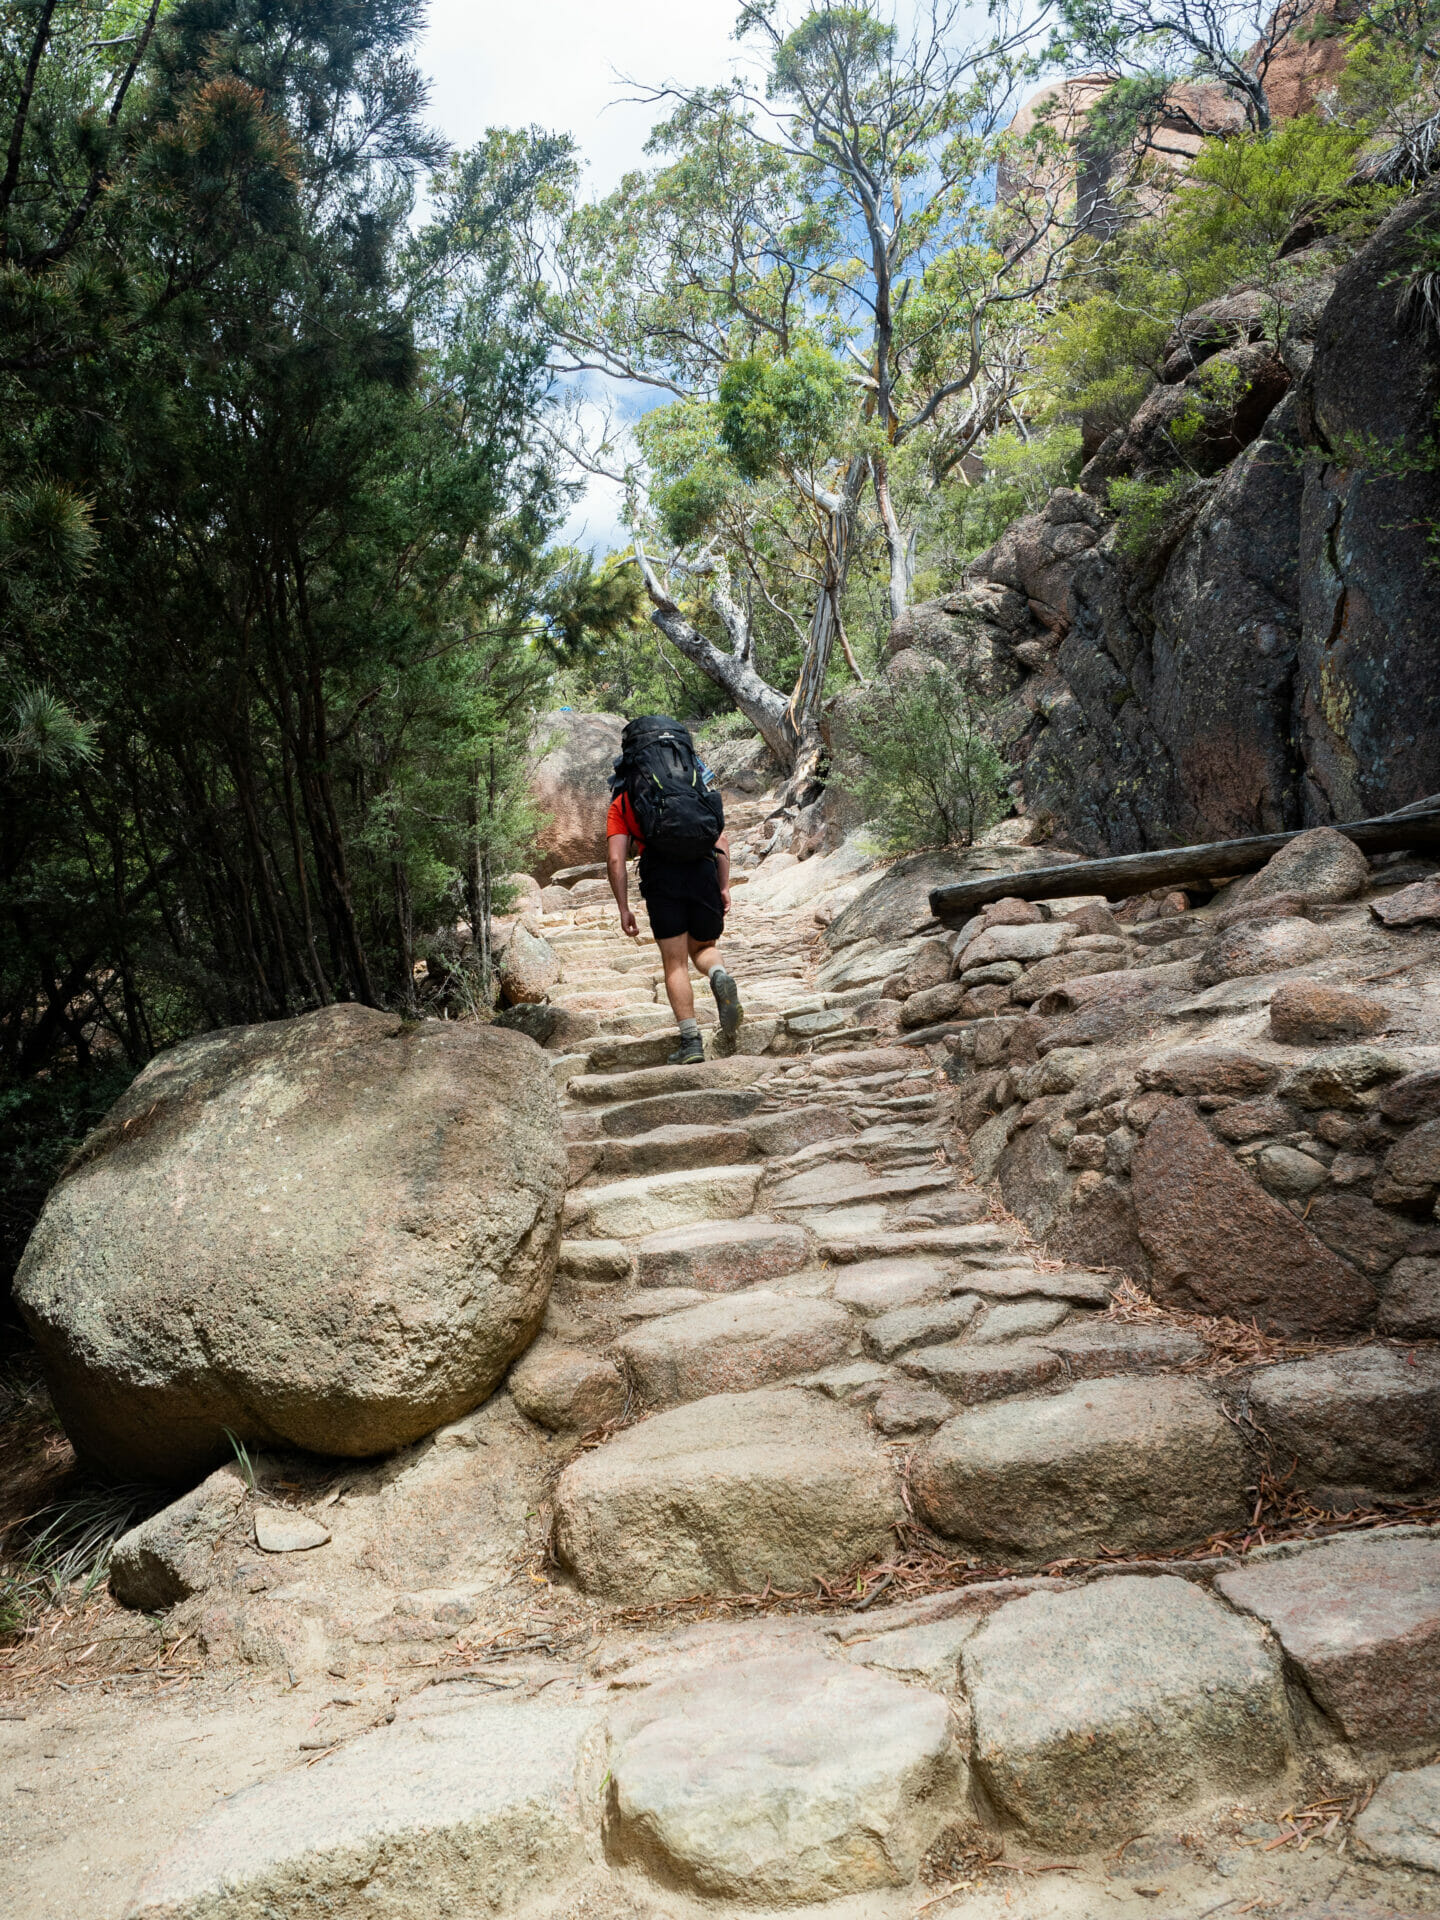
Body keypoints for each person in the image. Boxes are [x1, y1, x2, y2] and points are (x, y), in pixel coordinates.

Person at [605, 716, 743, 1064]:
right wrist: (723, 886)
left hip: (661, 875)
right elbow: (721, 838)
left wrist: (623, 907)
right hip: (702, 867)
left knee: (675, 962)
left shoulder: (624, 798)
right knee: (704, 947)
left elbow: (615, 858)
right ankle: (719, 974)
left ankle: (691, 1042)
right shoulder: (695, 780)